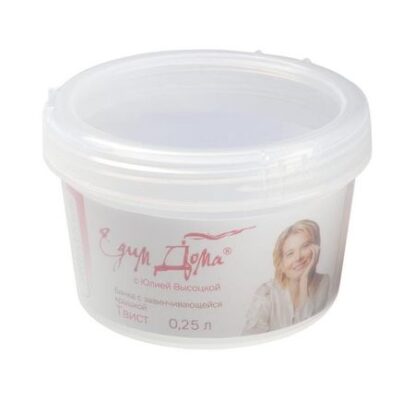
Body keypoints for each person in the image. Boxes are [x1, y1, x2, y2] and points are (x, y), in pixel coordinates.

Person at [243, 220, 329, 334]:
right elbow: (251, 337)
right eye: (290, 253)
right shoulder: (267, 293)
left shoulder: (324, 283)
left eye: (304, 246)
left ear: (316, 249)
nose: (298, 257)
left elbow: (309, 332)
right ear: (281, 264)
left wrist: (304, 281)